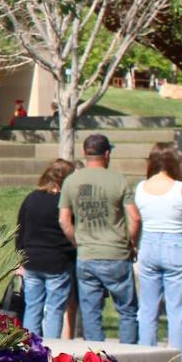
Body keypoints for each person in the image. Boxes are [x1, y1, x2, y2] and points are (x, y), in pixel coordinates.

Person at [59, 133, 139, 343]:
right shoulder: (119, 180)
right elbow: (135, 217)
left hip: (87, 255)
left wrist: (77, 242)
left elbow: (64, 220)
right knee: (127, 311)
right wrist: (131, 243)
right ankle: (129, 360)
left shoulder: (71, 181)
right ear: (107, 153)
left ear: (85, 154)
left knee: (91, 312)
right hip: (117, 253)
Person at [132, 142, 182, 359]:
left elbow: (137, 219)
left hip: (149, 243)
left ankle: (145, 359)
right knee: (177, 309)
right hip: (175, 242)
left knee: (148, 308)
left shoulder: (141, 188)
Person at [16, 159, 78, 338]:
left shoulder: (31, 198)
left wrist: (20, 258)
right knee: (54, 309)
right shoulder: (65, 204)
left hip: (32, 260)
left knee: (32, 307)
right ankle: (52, 348)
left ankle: (30, 349)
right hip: (57, 262)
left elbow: (20, 231)